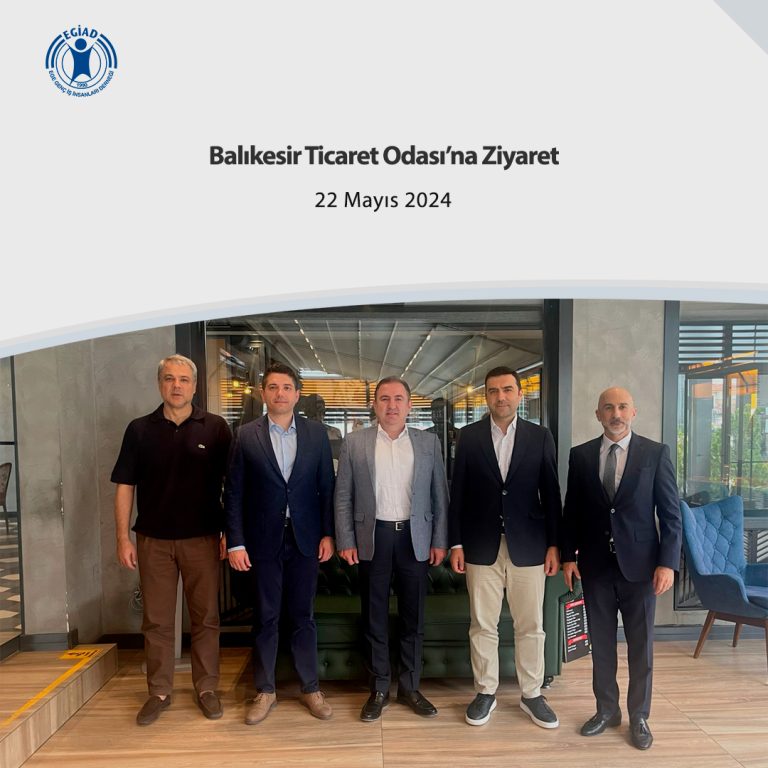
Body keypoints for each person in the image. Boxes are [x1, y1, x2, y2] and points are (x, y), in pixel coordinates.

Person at [112, 354, 232, 726]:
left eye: (183, 379)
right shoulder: (139, 430)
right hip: (153, 540)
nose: (176, 385)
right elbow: (124, 485)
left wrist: (230, 532)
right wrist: (122, 537)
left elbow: (232, 485)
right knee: (157, 621)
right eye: (169, 378)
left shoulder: (215, 428)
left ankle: (206, 688)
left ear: (194, 386)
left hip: (203, 539)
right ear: (160, 384)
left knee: (206, 618)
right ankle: (159, 692)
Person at [561, 387, 682, 750]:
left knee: (640, 647)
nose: (616, 413)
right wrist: (568, 556)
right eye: (608, 408)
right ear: (598, 414)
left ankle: (639, 716)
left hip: (642, 568)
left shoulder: (655, 453)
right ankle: (606, 710)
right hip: (595, 566)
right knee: (601, 645)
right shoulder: (581, 455)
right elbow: (572, 511)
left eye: (622, 407)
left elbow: (671, 515)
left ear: (634, 412)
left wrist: (667, 563)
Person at [449, 366, 561, 729]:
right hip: (480, 546)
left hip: (529, 545)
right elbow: (458, 493)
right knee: (483, 624)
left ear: (519, 394)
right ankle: (485, 692)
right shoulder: (469, 437)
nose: (501, 397)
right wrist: (456, 542)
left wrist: (555, 544)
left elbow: (551, 494)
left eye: (508, 389)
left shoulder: (539, 436)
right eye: (494, 391)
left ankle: (532, 694)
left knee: (532, 625)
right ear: (486, 396)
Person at [225, 362, 335, 725]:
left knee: (303, 616)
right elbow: (234, 493)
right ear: (263, 393)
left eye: (287, 387)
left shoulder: (316, 435)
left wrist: (328, 533)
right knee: (266, 616)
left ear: (297, 394)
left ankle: (310, 688)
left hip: (305, 538)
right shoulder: (245, 435)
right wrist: (236, 542)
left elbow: (326, 488)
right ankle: (265, 690)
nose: (280, 394)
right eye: (273, 387)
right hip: (262, 540)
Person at [335, 376, 448, 722]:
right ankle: (379, 688)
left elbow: (440, 495)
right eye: (384, 398)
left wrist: (439, 540)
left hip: (415, 538)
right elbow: (343, 495)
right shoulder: (355, 442)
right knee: (374, 616)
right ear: (375, 404)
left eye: (399, 399)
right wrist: (346, 540)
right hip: (374, 538)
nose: (392, 405)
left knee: (414, 617)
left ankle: (410, 687)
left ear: (410, 405)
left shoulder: (428, 442)